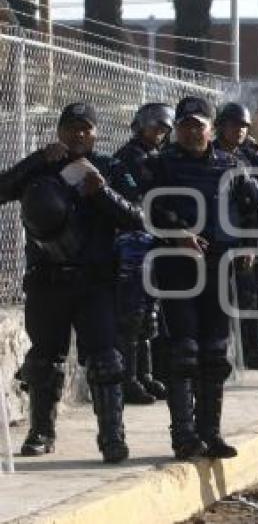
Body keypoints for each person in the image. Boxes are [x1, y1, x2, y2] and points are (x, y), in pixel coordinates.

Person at [1, 102, 143, 463]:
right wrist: (36, 161)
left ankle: (112, 437)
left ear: (95, 133)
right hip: (47, 282)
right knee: (44, 361)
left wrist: (103, 192)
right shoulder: (42, 165)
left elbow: (138, 218)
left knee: (106, 362)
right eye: (71, 127)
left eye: (85, 128)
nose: (78, 134)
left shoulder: (110, 167)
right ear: (60, 130)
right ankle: (41, 432)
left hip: (95, 283)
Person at [144, 96, 258, 460]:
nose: (193, 131)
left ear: (212, 129)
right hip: (177, 266)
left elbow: (254, 211)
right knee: (183, 352)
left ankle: (210, 432)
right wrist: (179, 233)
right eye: (186, 125)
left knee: (214, 353)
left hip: (220, 267)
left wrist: (249, 246)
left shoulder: (233, 165)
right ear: (176, 129)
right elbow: (149, 206)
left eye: (199, 125)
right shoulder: (160, 165)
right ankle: (184, 435)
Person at [112, 102, 173, 404]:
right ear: (140, 126)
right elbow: (138, 196)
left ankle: (145, 375)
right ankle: (128, 379)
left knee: (149, 312)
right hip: (131, 239)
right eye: (155, 127)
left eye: (163, 129)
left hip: (153, 237)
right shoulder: (129, 157)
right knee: (133, 314)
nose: (159, 133)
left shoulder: (156, 156)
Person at [213, 102, 258, 370]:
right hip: (222, 237)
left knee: (254, 292)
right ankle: (227, 351)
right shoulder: (211, 153)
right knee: (225, 295)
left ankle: (257, 349)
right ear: (220, 126)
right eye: (234, 125)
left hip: (251, 233)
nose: (239, 131)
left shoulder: (249, 155)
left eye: (243, 126)